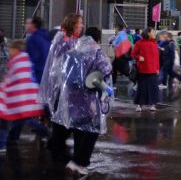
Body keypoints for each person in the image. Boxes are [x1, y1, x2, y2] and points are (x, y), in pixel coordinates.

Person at [50, 27, 112, 175]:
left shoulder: (72, 52)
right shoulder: (98, 53)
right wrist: (106, 93)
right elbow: (105, 73)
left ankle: (70, 158)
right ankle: (79, 162)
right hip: (90, 100)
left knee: (78, 129)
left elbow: (59, 73)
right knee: (91, 131)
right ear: (97, 40)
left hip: (71, 99)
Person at [40, 13, 83, 152]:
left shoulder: (70, 41)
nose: (82, 25)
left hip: (68, 89)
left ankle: (56, 145)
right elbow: (60, 68)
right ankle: (56, 147)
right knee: (64, 121)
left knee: (65, 121)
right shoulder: (65, 42)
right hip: (65, 89)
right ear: (73, 25)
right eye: (80, 23)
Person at [0, 40, 48, 155]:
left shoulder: (17, 61)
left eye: (11, 49)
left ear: (16, 49)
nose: (10, 51)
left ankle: (2, 144)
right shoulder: (26, 60)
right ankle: (13, 139)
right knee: (21, 120)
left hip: (19, 98)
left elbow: (12, 79)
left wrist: (4, 89)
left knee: (5, 120)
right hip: (26, 98)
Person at [131, 27, 160, 112]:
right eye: (153, 32)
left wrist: (157, 68)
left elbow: (156, 58)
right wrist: (138, 57)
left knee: (153, 88)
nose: (155, 33)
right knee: (142, 88)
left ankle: (152, 105)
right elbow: (133, 54)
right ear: (148, 33)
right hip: (142, 69)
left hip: (153, 70)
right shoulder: (139, 43)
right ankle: (139, 105)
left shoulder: (155, 43)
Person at [25, 16, 51, 83]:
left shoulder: (33, 39)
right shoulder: (46, 37)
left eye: (28, 23)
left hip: (36, 75)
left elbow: (31, 59)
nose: (26, 25)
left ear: (33, 25)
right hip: (46, 74)